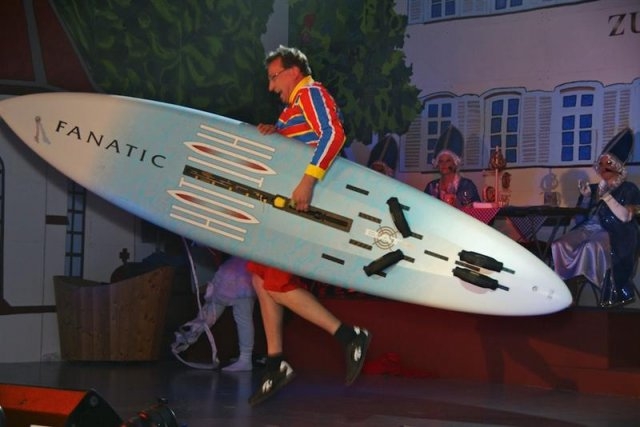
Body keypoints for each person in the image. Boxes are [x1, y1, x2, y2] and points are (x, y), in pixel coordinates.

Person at [247, 45, 371, 406]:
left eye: (274, 77)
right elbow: (304, 142)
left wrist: (308, 180)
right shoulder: (292, 108)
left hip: (303, 205)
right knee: (259, 278)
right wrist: (277, 133)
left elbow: (333, 134)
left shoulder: (311, 93)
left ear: (293, 71)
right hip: (287, 207)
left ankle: (350, 336)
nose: (271, 86)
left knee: (276, 284)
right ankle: (275, 363)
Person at [551, 128, 640, 308]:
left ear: (618, 166)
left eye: (608, 162)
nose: (603, 166)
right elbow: (579, 220)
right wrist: (585, 198)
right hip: (588, 229)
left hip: (616, 232)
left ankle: (604, 290)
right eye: (601, 162)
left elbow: (625, 218)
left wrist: (607, 197)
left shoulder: (628, 188)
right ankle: (566, 286)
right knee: (559, 244)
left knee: (590, 247)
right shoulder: (592, 189)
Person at [172, 254, 256, 372]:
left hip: (243, 272)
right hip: (234, 271)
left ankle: (245, 358)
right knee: (214, 311)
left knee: (242, 317)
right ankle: (188, 337)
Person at [423, 125, 480, 207]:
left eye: (448, 161)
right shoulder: (431, 187)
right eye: (441, 161)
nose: (444, 164)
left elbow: (476, 209)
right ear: (437, 164)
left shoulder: (467, 185)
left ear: (455, 163)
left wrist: (458, 204)